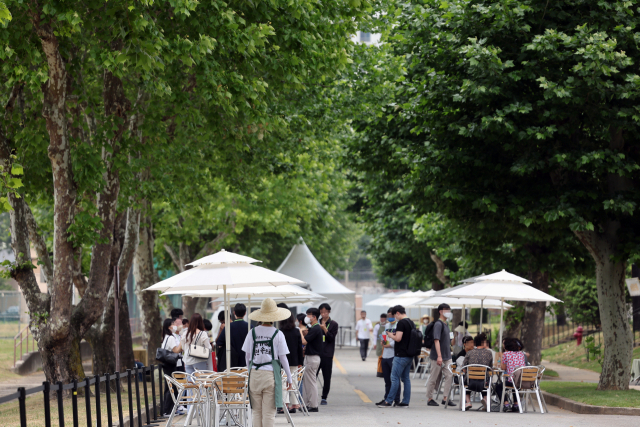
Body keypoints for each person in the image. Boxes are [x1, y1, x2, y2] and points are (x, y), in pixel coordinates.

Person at [242, 298, 293, 427]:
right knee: (269, 413)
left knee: (256, 412)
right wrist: (289, 377)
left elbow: (247, 356)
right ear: (273, 317)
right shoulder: (278, 334)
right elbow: (283, 358)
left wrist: (250, 372)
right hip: (270, 375)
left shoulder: (252, 332)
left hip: (254, 374)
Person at [377, 305, 412, 408]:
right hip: (409, 354)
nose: (393, 317)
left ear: (397, 313)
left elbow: (398, 338)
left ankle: (388, 401)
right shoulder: (411, 322)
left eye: (393, 315)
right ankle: (405, 402)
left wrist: (390, 335)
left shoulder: (401, 323)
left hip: (400, 355)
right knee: (406, 379)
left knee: (394, 378)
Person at [425, 303, 455, 407]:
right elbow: (436, 340)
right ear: (440, 311)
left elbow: (449, 341)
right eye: (446, 310)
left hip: (447, 356)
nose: (448, 312)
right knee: (434, 377)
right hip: (437, 356)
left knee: (449, 375)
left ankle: (445, 398)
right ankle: (430, 398)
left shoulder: (446, 324)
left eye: (449, 309)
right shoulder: (438, 324)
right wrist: (439, 356)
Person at [277, 303, 303, 414]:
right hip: (295, 360)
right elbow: (299, 348)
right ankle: (295, 404)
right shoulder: (296, 331)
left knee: (283, 382)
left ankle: (285, 405)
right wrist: (300, 362)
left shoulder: (279, 332)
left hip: (283, 362)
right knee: (293, 382)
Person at [375, 308, 401, 406]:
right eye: (388, 315)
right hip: (385, 355)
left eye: (391, 315)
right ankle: (387, 398)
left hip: (393, 355)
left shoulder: (398, 325)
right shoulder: (386, 325)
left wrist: (389, 345)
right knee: (387, 380)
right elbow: (383, 335)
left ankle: (397, 400)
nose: (389, 317)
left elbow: (398, 340)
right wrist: (382, 341)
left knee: (395, 379)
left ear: (395, 315)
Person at [461, 333, 493, 410]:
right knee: (485, 377)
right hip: (483, 382)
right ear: (483, 342)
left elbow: (464, 367)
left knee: (465, 378)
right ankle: (485, 398)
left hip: (470, 382)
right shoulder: (489, 353)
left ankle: (468, 401)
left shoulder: (469, 352)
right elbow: (490, 367)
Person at [161, 318, 185, 416]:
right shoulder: (170, 337)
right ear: (169, 326)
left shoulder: (166, 336)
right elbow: (176, 350)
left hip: (167, 364)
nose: (175, 325)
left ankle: (170, 409)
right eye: (173, 324)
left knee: (170, 387)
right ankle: (167, 410)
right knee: (171, 387)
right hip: (170, 365)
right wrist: (182, 341)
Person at [495, 338, 527, 412]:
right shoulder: (522, 354)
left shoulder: (506, 354)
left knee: (498, 387)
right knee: (515, 384)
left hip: (513, 381)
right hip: (522, 381)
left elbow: (503, 368)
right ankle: (516, 404)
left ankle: (506, 404)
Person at [301, 307, 323, 412]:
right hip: (311, 357)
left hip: (312, 357)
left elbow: (304, 342)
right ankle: (308, 404)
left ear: (314, 317)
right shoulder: (314, 328)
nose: (307, 317)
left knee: (311, 382)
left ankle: (313, 405)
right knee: (308, 382)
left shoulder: (315, 328)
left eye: (308, 315)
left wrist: (301, 332)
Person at [318, 302, 339, 405]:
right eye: (321, 312)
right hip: (317, 353)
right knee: (313, 376)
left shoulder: (334, 324)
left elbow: (331, 338)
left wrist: (325, 329)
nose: (323, 314)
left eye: (325, 312)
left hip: (327, 354)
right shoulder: (316, 322)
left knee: (327, 376)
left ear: (329, 312)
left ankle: (324, 397)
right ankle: (310, 395)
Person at [217, 303, 249, 368]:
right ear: (245, 313)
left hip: (231, 361)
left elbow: (219, 343)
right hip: (246, 361)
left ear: (234, 313)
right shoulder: (249, 326)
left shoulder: (228, 327)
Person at [372, 313, 388, 378]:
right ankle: (380, 372)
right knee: (380, 358)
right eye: (381, 318)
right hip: (379, 344)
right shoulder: (377, 326)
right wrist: (374, 344)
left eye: (383, 318)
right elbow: (375, 335)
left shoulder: (388, 325)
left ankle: (385, 371)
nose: (382, 319)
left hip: (386, 343)